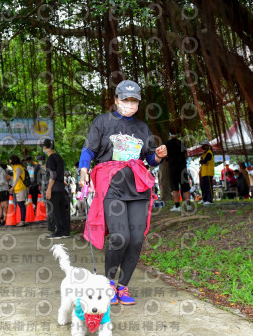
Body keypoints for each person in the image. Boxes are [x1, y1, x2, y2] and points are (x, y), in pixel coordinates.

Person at [78, 80, 168, 306]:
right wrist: (83, 171)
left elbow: (149, 159)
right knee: (120, 237)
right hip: (112, 188)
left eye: (134, 100)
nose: (130, 104)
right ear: (116, 100)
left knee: (136, 239)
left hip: (138, 188)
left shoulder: (142, 128)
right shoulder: (102, 122)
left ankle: (123, 286)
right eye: (126, 100)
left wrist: (158, 156)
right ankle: (108, 284)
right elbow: (88, 150)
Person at [42, 139, 69, 239]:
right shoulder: (58, 157)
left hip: (54, 188)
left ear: (45, 147)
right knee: (62, 210)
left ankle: (58, 232)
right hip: (61, 188)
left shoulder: (50, 159)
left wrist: (49, 189)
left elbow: (53, 175)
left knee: (55, 211)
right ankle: (65, 231)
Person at [166, 128, 191, 212]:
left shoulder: (167, 144)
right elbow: (185, 155)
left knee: (175, 187)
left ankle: (177, 206)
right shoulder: (181, 143)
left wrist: (169, 162)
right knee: (185, 186)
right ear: (177, 135)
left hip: (173, 168)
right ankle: (188, 205)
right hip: (182, 167)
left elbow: (164, 157)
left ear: (170, 135)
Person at [8, 155, 28, 227]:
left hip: (20, 188)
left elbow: (16, 179)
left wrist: (12, 187)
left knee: (21, 204)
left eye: (10, 159)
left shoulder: (18, 168)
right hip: (18, 188)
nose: (9, 161)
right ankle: (22, 220)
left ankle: (22, 221)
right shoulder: (16, 167)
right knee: (20, 204)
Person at [198, 140, 214, 205]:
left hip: (208, 172)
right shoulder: (204, 153)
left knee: (208, 187)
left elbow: (204, 161)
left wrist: (203, 161)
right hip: (204, 173)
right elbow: (201, 161)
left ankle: (210, 200)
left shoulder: (209, 153)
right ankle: (204, 199)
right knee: (204, 187)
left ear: (207, 146)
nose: (202, 147)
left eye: (203, 145)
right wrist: (202, 161)